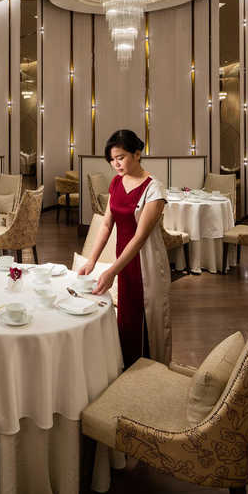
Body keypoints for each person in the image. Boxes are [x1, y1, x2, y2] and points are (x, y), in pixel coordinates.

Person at [79, 129, 172, 366]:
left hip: (146, 263)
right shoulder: (117, 182)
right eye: (112, 159)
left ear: (137, 154)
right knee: (127, 318)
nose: (115, 164)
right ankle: (127, 369)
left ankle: (151, 370)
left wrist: (111, 271)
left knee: (147, 319)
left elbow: (140, 238)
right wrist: (92, 260)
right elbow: (107, 224)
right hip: (124, 259)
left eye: (120, 157)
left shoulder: (154, 189)